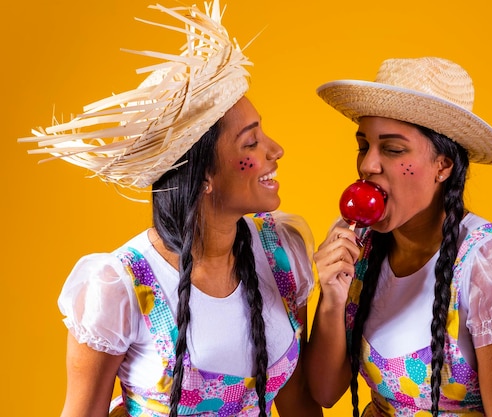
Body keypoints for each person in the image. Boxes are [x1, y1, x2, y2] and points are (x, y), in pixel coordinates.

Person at [19, 3, 322, 417]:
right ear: (203, 178)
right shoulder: (119, 290)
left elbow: (298, 401)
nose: (275, 150)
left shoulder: (281, 252)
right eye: (251, 143)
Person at [305, 57, 492, 417]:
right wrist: (332, 299)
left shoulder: (490, 264)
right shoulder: (360, 245)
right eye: (363, 145)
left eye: (393, 149)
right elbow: (325, 392)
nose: (368, 165)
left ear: (443, 165)